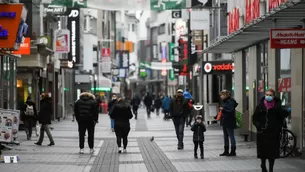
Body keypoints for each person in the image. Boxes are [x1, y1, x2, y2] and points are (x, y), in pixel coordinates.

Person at [252, 89, 288, 172]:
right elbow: (254, 118)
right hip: (262, 133)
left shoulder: (278, 107)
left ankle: (271, 169)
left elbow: (281, 119)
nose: (268, 96)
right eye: (267, 94)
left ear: (273, 96)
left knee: (272, 153)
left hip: (273, 133)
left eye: (270, 95)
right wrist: (259, 127)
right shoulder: (260, 106)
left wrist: (278, 127)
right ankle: (263, 165)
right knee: (263, 152)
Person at [219, 90, 238, 156]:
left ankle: (233, 151)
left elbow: (231, 111)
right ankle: (226, 151)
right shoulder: (225, 101)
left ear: (226, 95)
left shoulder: (230, 101)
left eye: (222, 95)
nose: (221, 96)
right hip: (225, 120)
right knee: (225, 136)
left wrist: (223, 109)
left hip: (229, 121)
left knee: (231, 136)